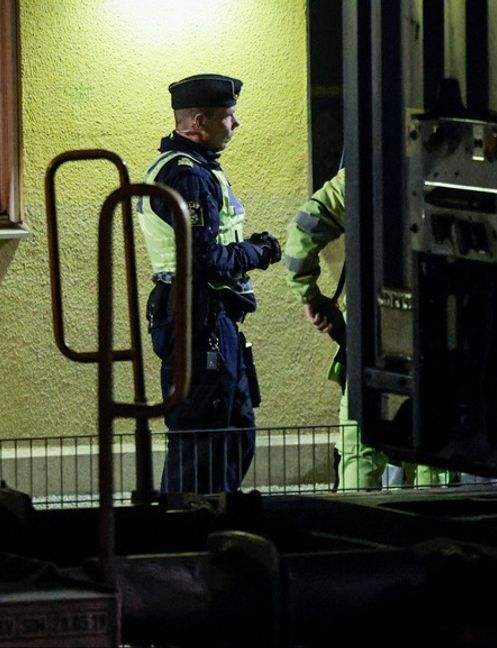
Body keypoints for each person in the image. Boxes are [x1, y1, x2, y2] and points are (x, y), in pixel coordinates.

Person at [137, 73, 281, 495]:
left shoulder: (194, 170)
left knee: (232, 429)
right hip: (199, 322)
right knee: (204, 435)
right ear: (198, 121)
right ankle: (184, 536)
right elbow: (204, 261)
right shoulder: (188, 177)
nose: (236, 125)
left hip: (211, 321)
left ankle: (215, 520)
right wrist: (261, 252)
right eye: (229, 116)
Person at [284, 167, 452, 490]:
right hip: (441, 335)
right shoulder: (456, 172)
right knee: (433, 451)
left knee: (360, 447)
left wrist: (311, 296)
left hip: (372, 334)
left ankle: (357, 524)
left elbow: (301, 233)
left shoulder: (363, 171)